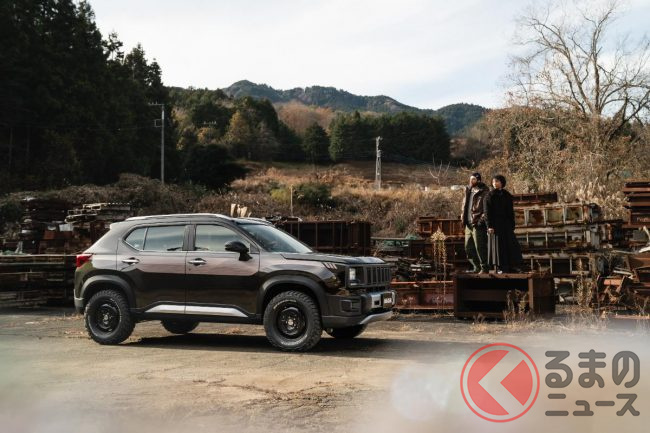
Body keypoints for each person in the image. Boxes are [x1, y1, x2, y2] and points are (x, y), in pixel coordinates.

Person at [484, 175, 523, 273]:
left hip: (506, 224)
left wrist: (512, 224)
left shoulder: (507, 195)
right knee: (498, 246)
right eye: (493, 182)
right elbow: (487, 212)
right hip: (495, 224)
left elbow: (510, 211)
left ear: (502, 182)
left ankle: (513, 266)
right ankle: (500, 267)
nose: (495, 183)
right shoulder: (489, 196)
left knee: (512, 245)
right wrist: (489, 226)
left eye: (497, 181)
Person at [461, 172, 489, 273]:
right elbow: (464, 206)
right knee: (468, 248)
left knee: (480, 248)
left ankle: (484, 268)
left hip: (477, 224)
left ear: (479, 180)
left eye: (473, 179)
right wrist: (463, 218)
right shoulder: (468, 190)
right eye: (470, 179)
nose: (471, 181)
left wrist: (481, 221)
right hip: (468, 224)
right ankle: (476, 267)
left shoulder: (484, 191)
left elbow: (487, 209)